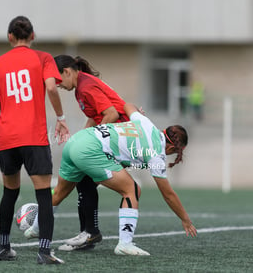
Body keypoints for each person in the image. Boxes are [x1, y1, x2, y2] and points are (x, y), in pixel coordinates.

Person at [43, 103, 197, 255]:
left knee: (63, 191)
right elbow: (168, 194)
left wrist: (138, 111)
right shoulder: (156, 154)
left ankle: (37, 226)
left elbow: (128, 106)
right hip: (91, 150)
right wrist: (185, 219)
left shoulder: (146, 122)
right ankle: (125, 243)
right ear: (172, 148)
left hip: (77, 139)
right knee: (132, 190)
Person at [0, 16, 69, 264]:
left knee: (9, 192)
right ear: (33, 36)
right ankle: (44, 251)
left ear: (10, 37)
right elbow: (52, 88)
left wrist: (0, 128)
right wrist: (61, 117)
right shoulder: (43, 58)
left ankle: (3, 246)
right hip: (34, 136)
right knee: (43, 193)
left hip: (7, 138)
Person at [25, 55, 132, 251]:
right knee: (83, 179)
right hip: (119, 136)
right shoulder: (81, 86)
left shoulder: (85, 87)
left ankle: (91, 233)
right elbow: (95, 117)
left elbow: (111, 114)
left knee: (87, 180)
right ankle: (89, 233)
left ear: (67, 71)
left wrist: (92, 141)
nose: (58, 86)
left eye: (58, 81)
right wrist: (81, 139)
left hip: (123, 138)